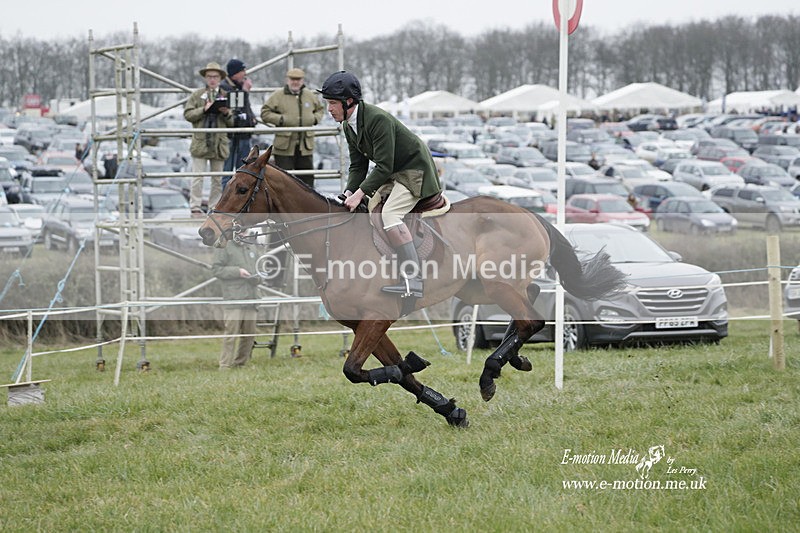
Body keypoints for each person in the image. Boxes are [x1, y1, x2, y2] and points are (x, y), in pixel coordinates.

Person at [318, 70, 442, 299]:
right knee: (368, 212)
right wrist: (348, 193)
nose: (329, 109)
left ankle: (413, 280)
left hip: (415, 171)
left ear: (348, 102)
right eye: (328, 103)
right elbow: (357, 166)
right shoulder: (348, 125)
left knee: (390, 216)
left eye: (332, 103)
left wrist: (360, 193)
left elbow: (384, 165)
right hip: (394, 172)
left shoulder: (378, 119)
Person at [184, 61, 234, 217]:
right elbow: (188, 115)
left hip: (219, 143)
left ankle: (214, 207)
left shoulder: (226, 96)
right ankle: (195, 207)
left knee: (217, 179)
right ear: (205, 78)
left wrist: (226, 113)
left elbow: (233, 122)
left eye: (215, 76)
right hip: (201, 141)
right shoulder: (197, 95)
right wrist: (203, 110)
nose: (212, 79)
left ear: (220, 78)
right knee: (197, 176)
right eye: (209, 76)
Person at [260, 67, 325, 188]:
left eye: (298, 79)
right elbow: (265, 113)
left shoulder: (309, 95)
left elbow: (320, 109)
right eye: (292, 79)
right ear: (287, 80)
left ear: (302, 80)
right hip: (284, 145)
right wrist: (281, 119)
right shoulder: (278, 95)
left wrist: (314, 118)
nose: (295, 82)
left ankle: (307, 205)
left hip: (305, 146)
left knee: (307, 179)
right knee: (283, 179)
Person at [212, 237, 260, 369]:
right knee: (231, 334)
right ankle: (225, 365)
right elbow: (216, 269)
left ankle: (241, 364)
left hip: (252, 298)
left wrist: (257, 277)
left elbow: (259, 269)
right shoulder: (223, 246)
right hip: (234, 298)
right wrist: (237, 272)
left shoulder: (252, 247)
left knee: (249, 334)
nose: (244, 232)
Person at [220, 58, 258, 192]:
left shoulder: (238, 86)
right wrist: (245, 92)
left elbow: (245, 108)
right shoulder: (225, 87)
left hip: (244, 134)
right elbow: (237, 106)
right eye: (242, 71)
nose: (245, 74)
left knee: (242, 171)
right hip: (232, 136)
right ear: (234, 73)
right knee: (227, 173)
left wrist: (252, 118)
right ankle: (225, 203)